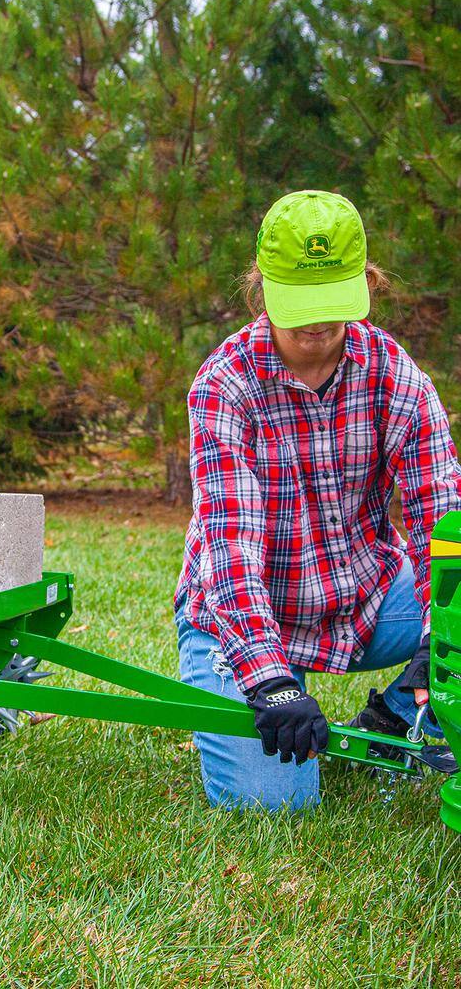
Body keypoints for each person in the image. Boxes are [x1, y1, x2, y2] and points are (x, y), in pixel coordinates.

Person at [174, 189, 461, 810]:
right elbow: (229, 546)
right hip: (245, 615)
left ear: (366, 284)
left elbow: (441, 518)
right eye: (299, 302)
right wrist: (271, 681)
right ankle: (256, 680)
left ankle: (391, 718)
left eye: (331, 300)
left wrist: (439, 654)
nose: (315, 323)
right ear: (263, 286)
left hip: (368, 596)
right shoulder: (225, 385)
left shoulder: (394, 375)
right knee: (273, 803)